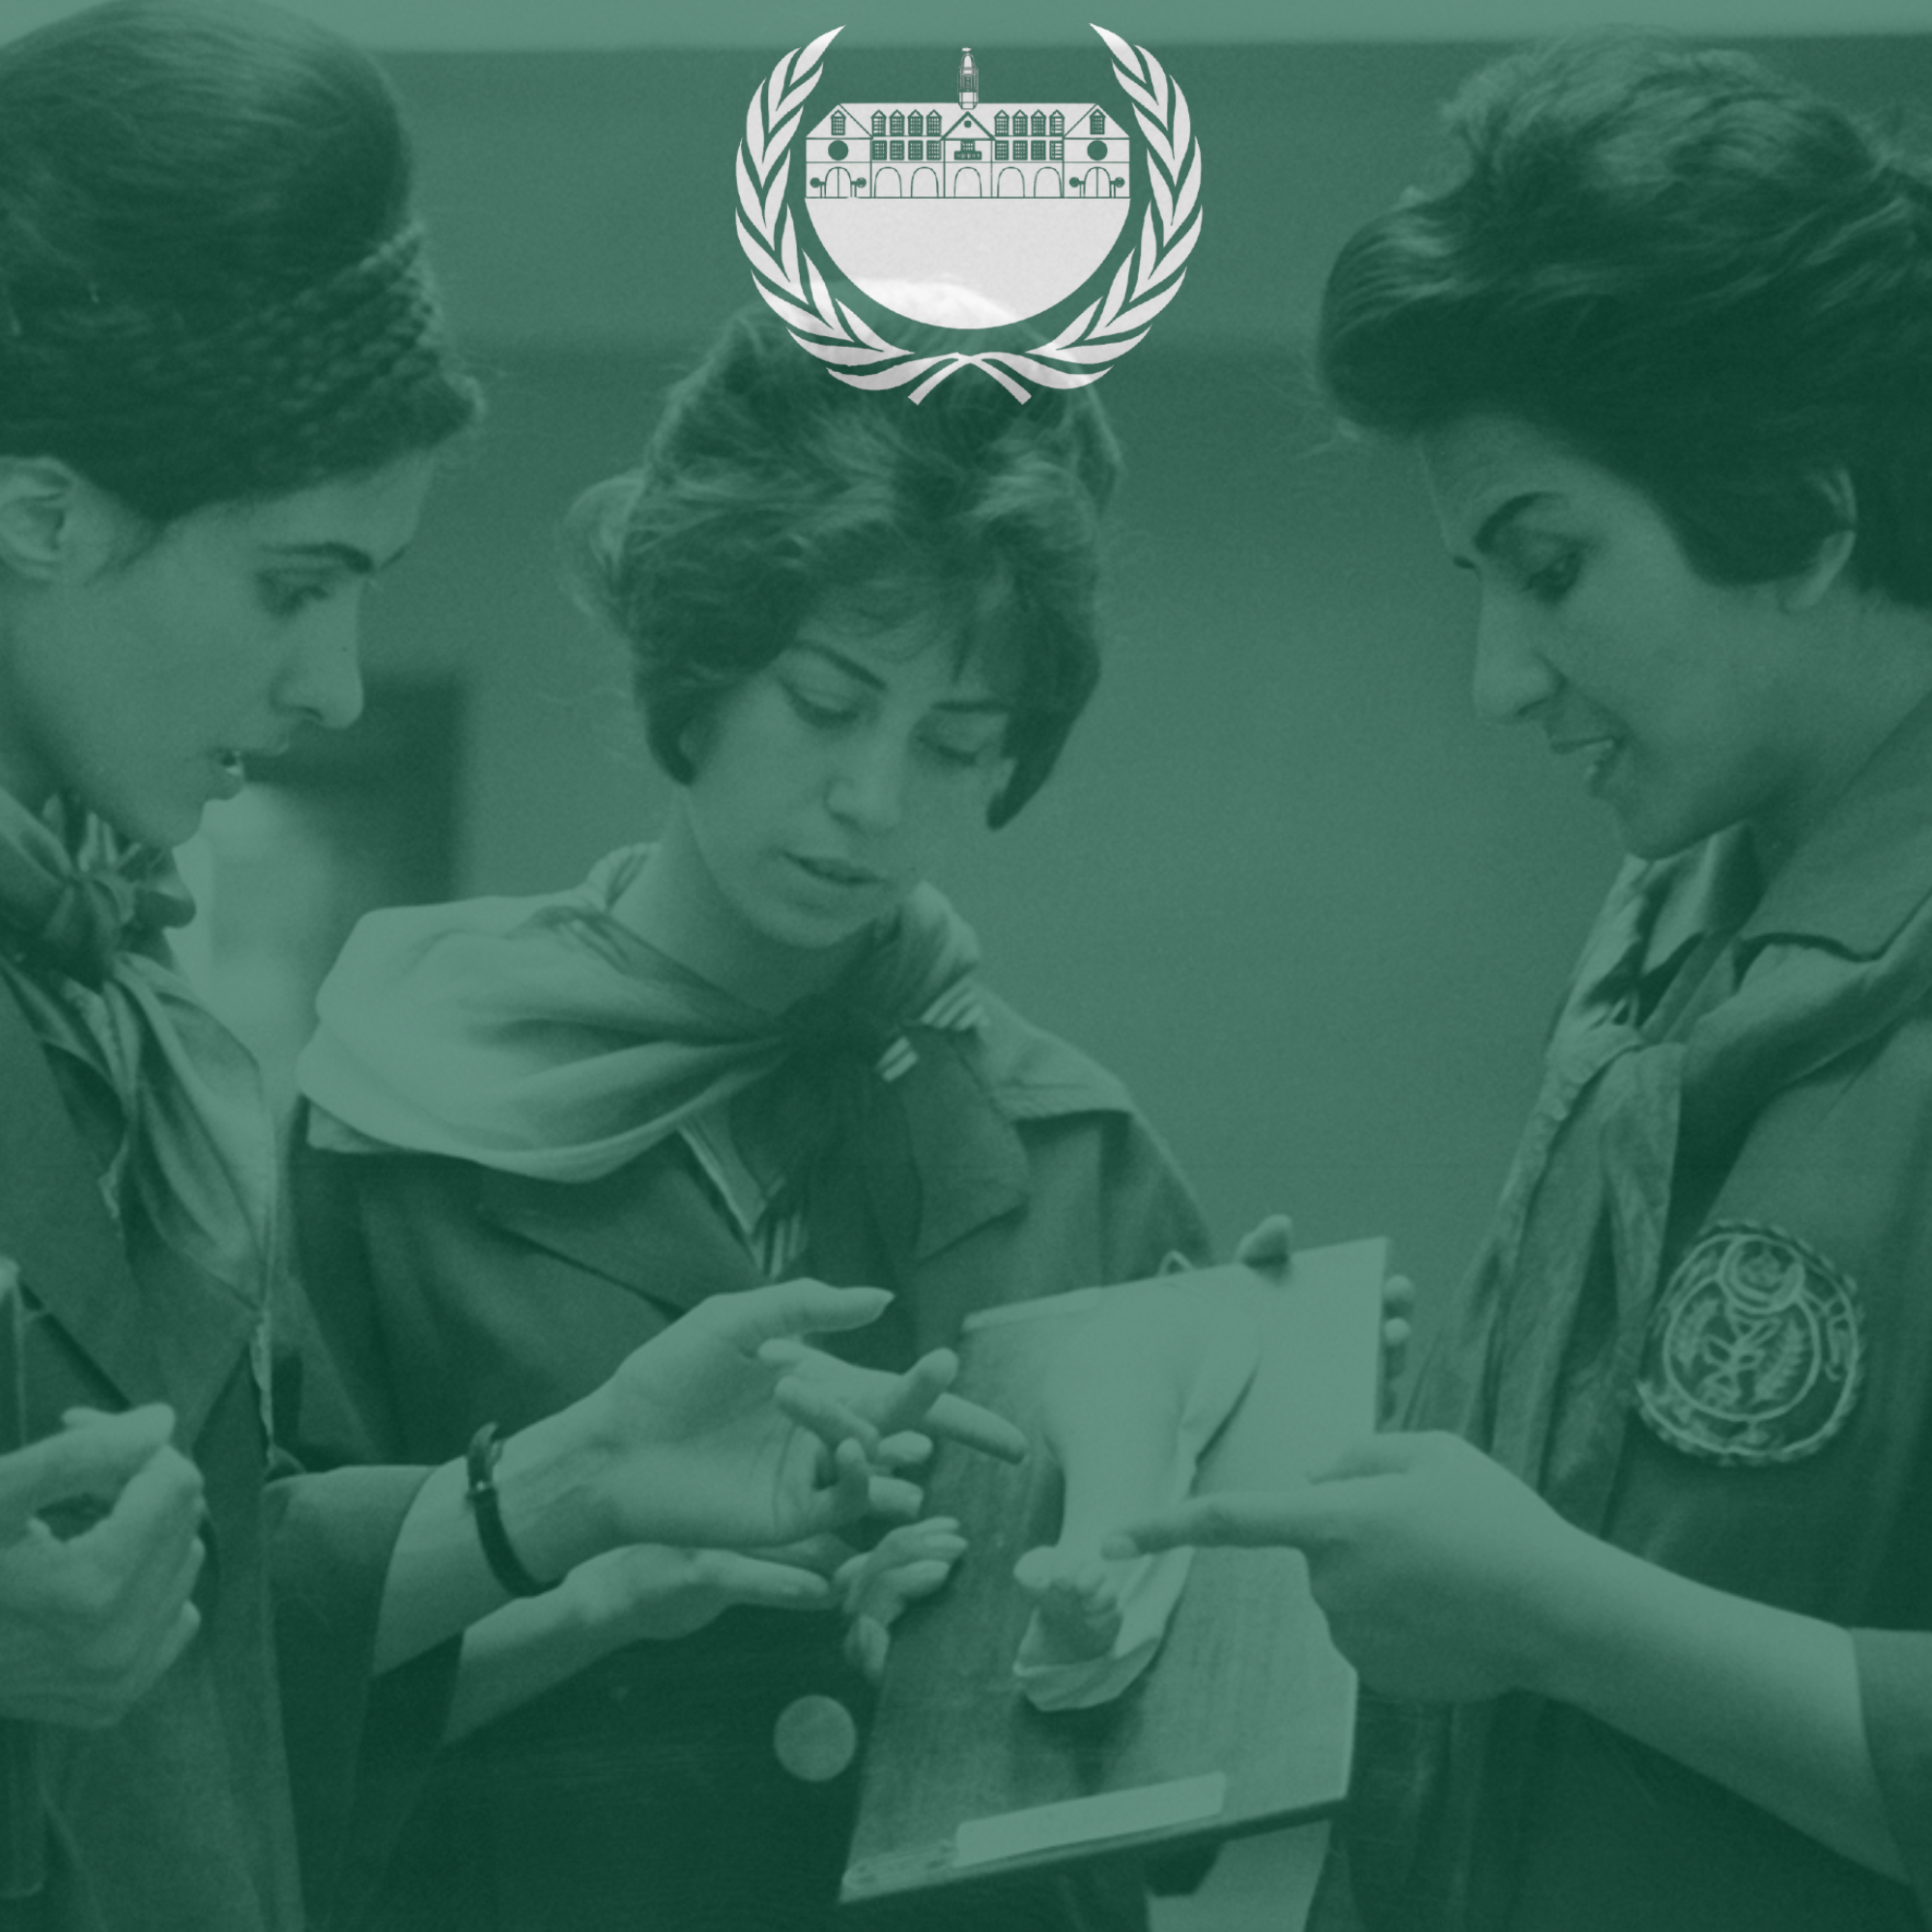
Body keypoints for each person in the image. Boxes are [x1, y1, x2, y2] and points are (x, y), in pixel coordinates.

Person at [0, 8, 1012, 1929]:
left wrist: (578, 1477)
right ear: (35, 507)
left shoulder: (107, 1002)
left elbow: (212, 1626)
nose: (335, 685)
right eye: (294, 583)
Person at [1111, 35, 1932, 1932]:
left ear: (1806, 512)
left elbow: (1575, 1611)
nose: (1499, 679)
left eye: (1549, 565)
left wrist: (1561, 1617)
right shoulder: (1668, 922)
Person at [291, 301, 1216, 1932]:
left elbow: (1183, 1799)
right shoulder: (399, 1116)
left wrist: (1245, 1489)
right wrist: (586, 1603)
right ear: (701, 658)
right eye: (827, 701)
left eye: (956, 742)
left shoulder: (1081, 1155)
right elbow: (243, 1708)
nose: (874, 800)